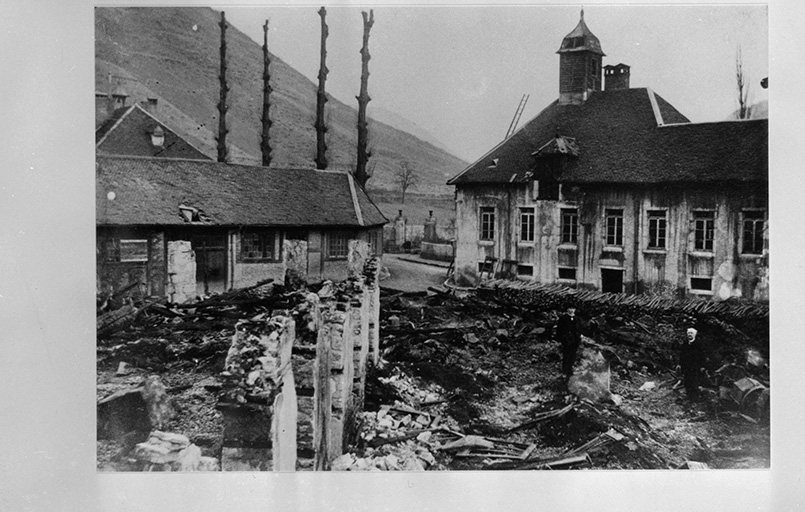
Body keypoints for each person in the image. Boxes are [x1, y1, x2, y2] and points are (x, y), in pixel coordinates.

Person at [679, 327, 705, 400]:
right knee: (687, 382)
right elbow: (682, 355)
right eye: (689, 333)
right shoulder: (685, 343)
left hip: (695, 367)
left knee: (694, 382)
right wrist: (680, 364)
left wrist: (702, 366)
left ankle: (695, 397)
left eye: (691, 333)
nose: (690, 335)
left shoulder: (698, 344)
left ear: (694, 335)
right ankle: (688, 395)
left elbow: (702, 355)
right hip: (686, 366)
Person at [556, 306, 581, 379]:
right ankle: (564, 371)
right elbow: (559, 329)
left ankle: (570, 370)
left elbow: (579, 329)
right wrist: (561, 339)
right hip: (567, 340)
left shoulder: (577, 319)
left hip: (575, 340)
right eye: (570, 308)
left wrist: (579, 336)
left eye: (573, 308)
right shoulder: (563, 318)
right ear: (567, 309)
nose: (572, 310)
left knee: (572, 355)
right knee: (566, 355)